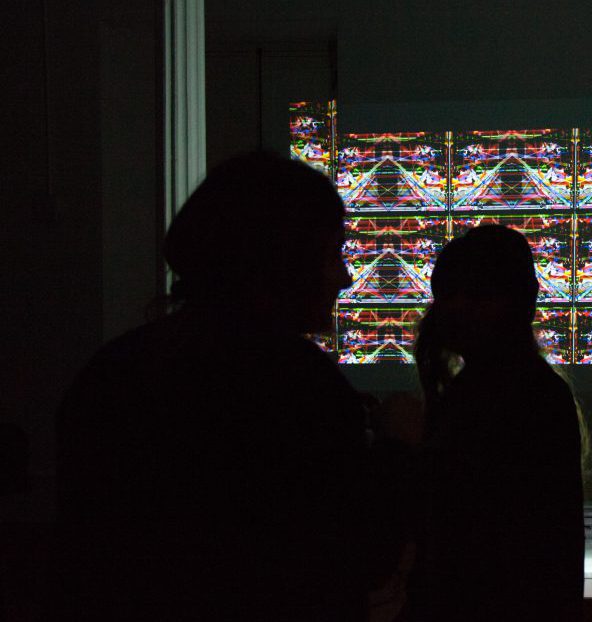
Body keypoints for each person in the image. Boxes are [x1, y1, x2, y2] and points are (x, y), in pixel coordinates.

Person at [51, 152, 409, 621]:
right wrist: (399, 447)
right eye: (331, 255)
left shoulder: (114, 370)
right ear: (283, 260)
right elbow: (358, 555)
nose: (343, 277)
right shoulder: (296, 386)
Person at [404, 225, 584, 622]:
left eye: (476, 295)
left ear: (517, 303)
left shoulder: (516, 398)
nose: (457, 308)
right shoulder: (519, 391)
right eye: (448, 294)